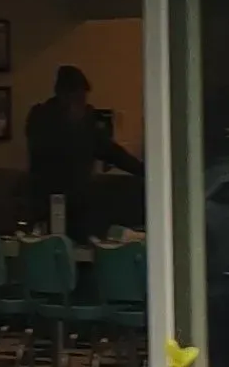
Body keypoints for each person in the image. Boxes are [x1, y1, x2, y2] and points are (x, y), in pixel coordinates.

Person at [22, 65, 140, 238]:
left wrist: (144, 170)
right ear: (64, 96)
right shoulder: (42, 118)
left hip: (80, 202)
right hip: (48, 201)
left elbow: (112, 152)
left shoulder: (86, 122)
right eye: (78, 98)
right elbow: (47, 153)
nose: (82, 104)